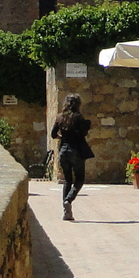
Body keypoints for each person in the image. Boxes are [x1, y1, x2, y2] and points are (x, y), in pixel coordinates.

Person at [50, 93, 93, 222]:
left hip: (63, 151)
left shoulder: (60, 117)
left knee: (68, 180)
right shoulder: (79, 118)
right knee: (79, 179)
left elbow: (53, 134)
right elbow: (83, 133)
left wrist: (62, 137)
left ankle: (66, 212)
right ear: (78, 104)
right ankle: (68, 200)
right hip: (76, 151)